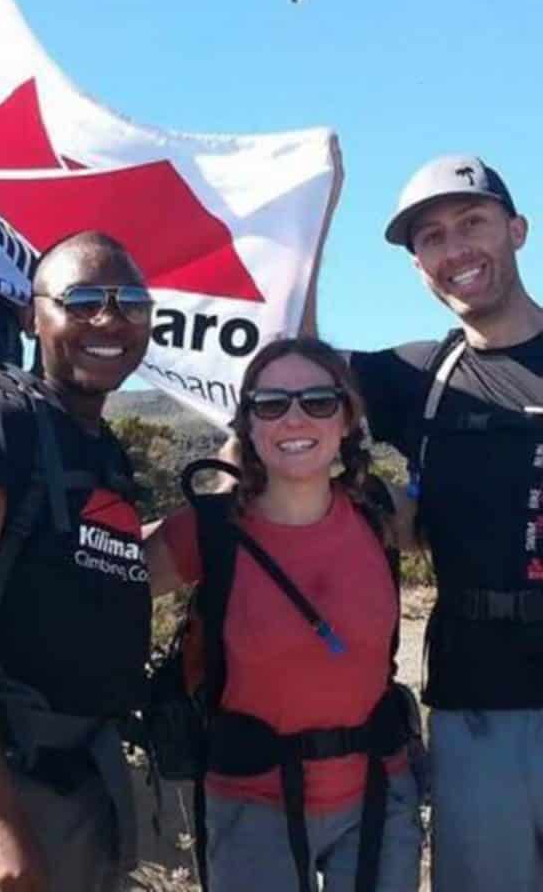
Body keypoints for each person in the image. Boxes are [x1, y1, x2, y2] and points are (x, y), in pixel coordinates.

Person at [0, 230, 154, 892]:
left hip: (82, 778)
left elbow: (103, 568)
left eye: (130, 299)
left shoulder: (99, 448)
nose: (109, 318)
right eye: (81, 299)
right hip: (12, 779)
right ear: (30, 315)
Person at [144, 337, 422, 892]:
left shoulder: (381, 514)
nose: (295, 417)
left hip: (378, 797)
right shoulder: (208, 531)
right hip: (251, 805)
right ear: (247, 424)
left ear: (347, 419)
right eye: (271, 404)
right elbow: (95, 589)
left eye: (319, 400)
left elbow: (484, 525)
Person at [339, 154, 543, 890]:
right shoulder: (413, 377)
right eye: (430, 238)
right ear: (418, 265)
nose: (454, 250)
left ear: (517, 230)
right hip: (475, 707)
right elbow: (285, 367)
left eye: (472, 223)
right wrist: (309, 215)